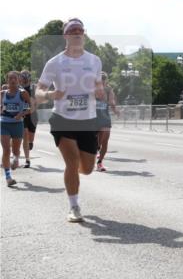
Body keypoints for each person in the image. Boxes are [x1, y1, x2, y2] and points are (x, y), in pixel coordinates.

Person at [36, 18, 104, 222]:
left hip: (88, 120)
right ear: (65, 35)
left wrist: (99, 90)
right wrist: (49, 95)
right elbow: (38, 91)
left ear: (84, 34)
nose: (76, 33)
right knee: (72, 162)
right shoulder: (55, 62)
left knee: (88, 169)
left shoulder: (94, 60)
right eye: (72, 30)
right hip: (63, 119)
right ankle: (74, 207)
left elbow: (98, 85)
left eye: (80, 30)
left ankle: (75, 172)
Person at [1, 71, 31, 187]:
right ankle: (8, 178)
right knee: (6, 150)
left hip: (17, 124)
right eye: (10, 79)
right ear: (7, 81)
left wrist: (22, 113)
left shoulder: (23, 93)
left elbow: (31, 107)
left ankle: (16, 158)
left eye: (15, 78)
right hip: (4, 124)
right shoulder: (2, 94)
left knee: (16, 151)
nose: (13, 80)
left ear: (18, 80)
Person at [95, 71, 120, 171]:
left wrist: (115, 110)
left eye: (104, 80)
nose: (102, 82)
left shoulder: (109, 90)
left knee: (105, 140)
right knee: (96, 139)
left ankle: (99, 163)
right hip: (93, 117)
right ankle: (95, 149)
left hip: (104, 116)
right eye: (100, 80)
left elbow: (111, 102)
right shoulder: (91, 89)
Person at [17, 70, 36, 168]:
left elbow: (34, 105)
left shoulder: (32, 88)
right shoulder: (17, 89)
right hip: (22, 115)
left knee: (30, 139)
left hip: (32, 115)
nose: (20, 78)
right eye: (20, 76)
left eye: (22, 76)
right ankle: (27, 160)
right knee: (25, 136)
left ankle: (31, 143)